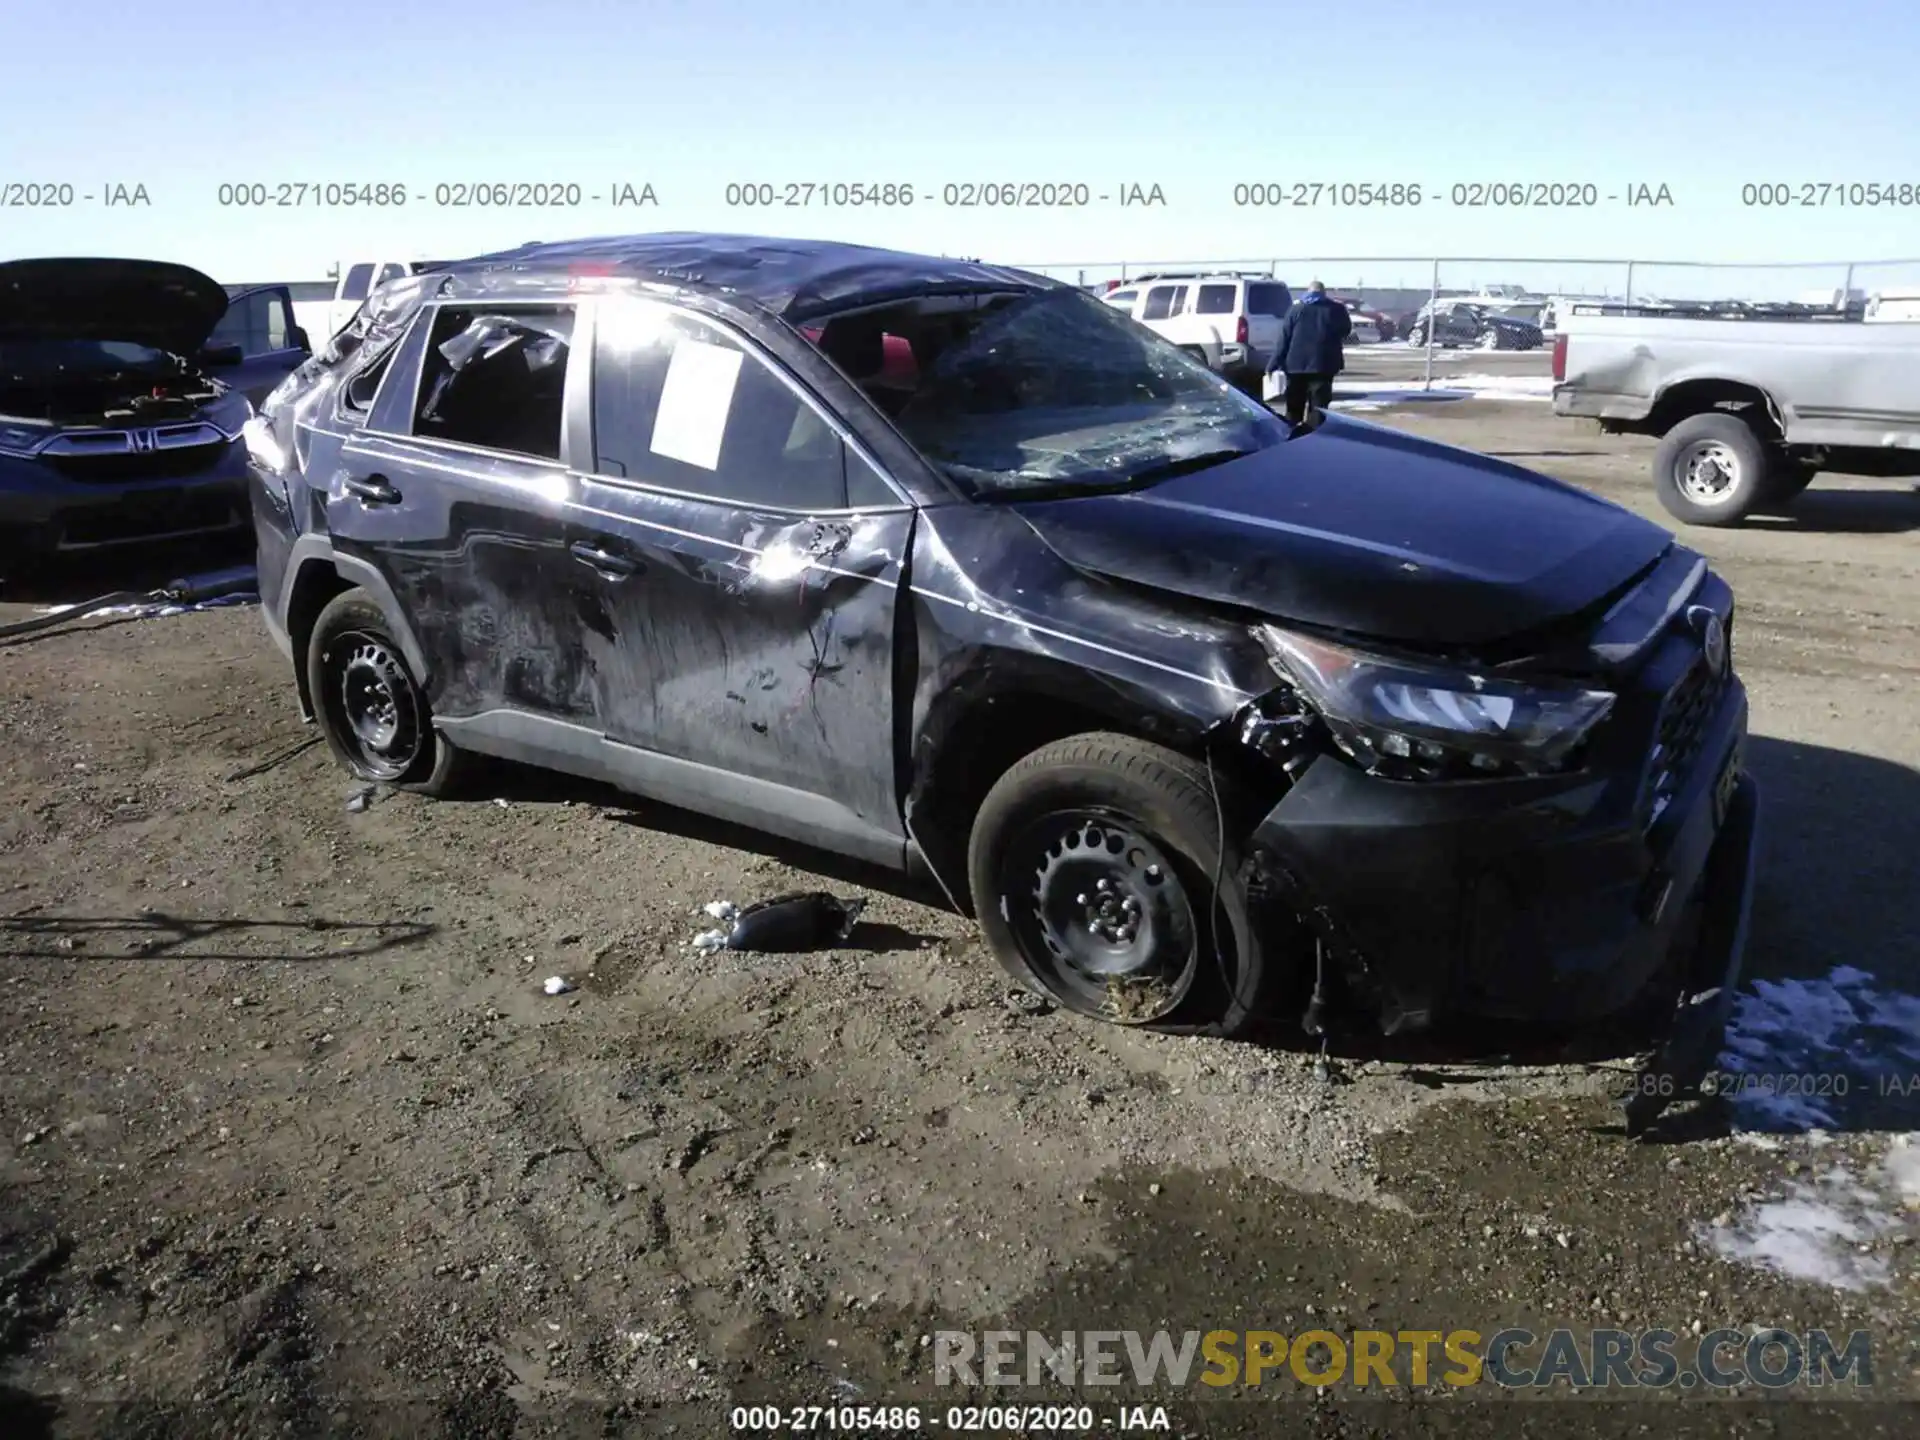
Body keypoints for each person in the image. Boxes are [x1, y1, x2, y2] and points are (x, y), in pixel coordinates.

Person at [1265, 280, 1352, 427]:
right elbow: (1345, 331)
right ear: (1324, 293)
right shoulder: (1336, 310)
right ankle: (1314, 437)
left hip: (1295, 366)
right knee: (1318, 408)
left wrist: (1273, 364)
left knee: (1294, 406)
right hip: (1323, 365)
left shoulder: (1296, 309)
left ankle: (1292, 435)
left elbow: (1284, 338)